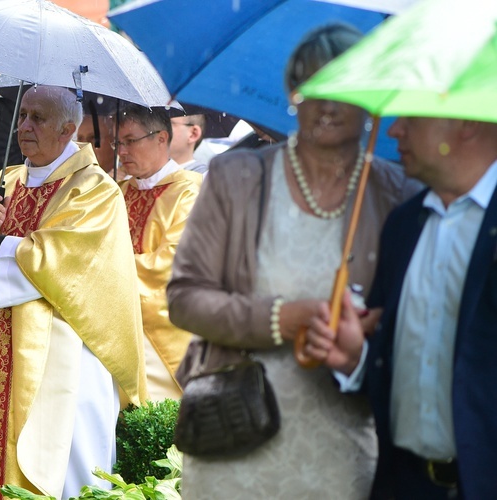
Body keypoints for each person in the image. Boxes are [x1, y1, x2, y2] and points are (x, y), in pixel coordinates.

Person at [166, 24, 422, 499]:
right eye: (312, 86)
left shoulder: (400, 196)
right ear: (291, 93)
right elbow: (184, 300)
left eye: (342, 86)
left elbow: (416, 325)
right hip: (233, 438)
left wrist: (368, 331)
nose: (326, 104)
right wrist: (284, 317)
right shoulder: (235, 178)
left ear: (370, 98)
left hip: (341, 449)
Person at [0, 85, 147, 499]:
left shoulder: (95, 190)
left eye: (38, 118)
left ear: (70, 128)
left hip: (60, 356)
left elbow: (70, 261)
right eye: (24, 114)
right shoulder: (5, 180)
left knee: (57, 469)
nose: (24, 126)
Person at [305, 116, 497, 499]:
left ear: (465, 123)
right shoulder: (403, 225)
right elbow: (392, 362)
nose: (394, 130)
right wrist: (355, 358)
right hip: (405, 484)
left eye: (413, 118)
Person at [117, 104, 201, 401]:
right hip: (115, 326)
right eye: (118, 143)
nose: (122, 151)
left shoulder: (192, 191)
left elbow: (174, 262)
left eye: (130, 140)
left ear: (161, 138)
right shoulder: (117, 191)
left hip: (161, 332)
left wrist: (105, 274)